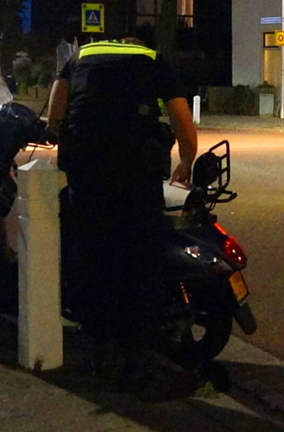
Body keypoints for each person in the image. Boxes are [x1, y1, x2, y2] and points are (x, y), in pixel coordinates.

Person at [46, 36, 197, 379]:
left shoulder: (80, 56)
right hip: (137, 172)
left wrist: (57, 134)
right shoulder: (152, 58)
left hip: (88, 170)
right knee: (140, 255)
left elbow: (57, 105)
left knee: (91, 251)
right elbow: (180, 119)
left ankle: (100, 343)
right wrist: (187, 161)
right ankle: (136, 345)